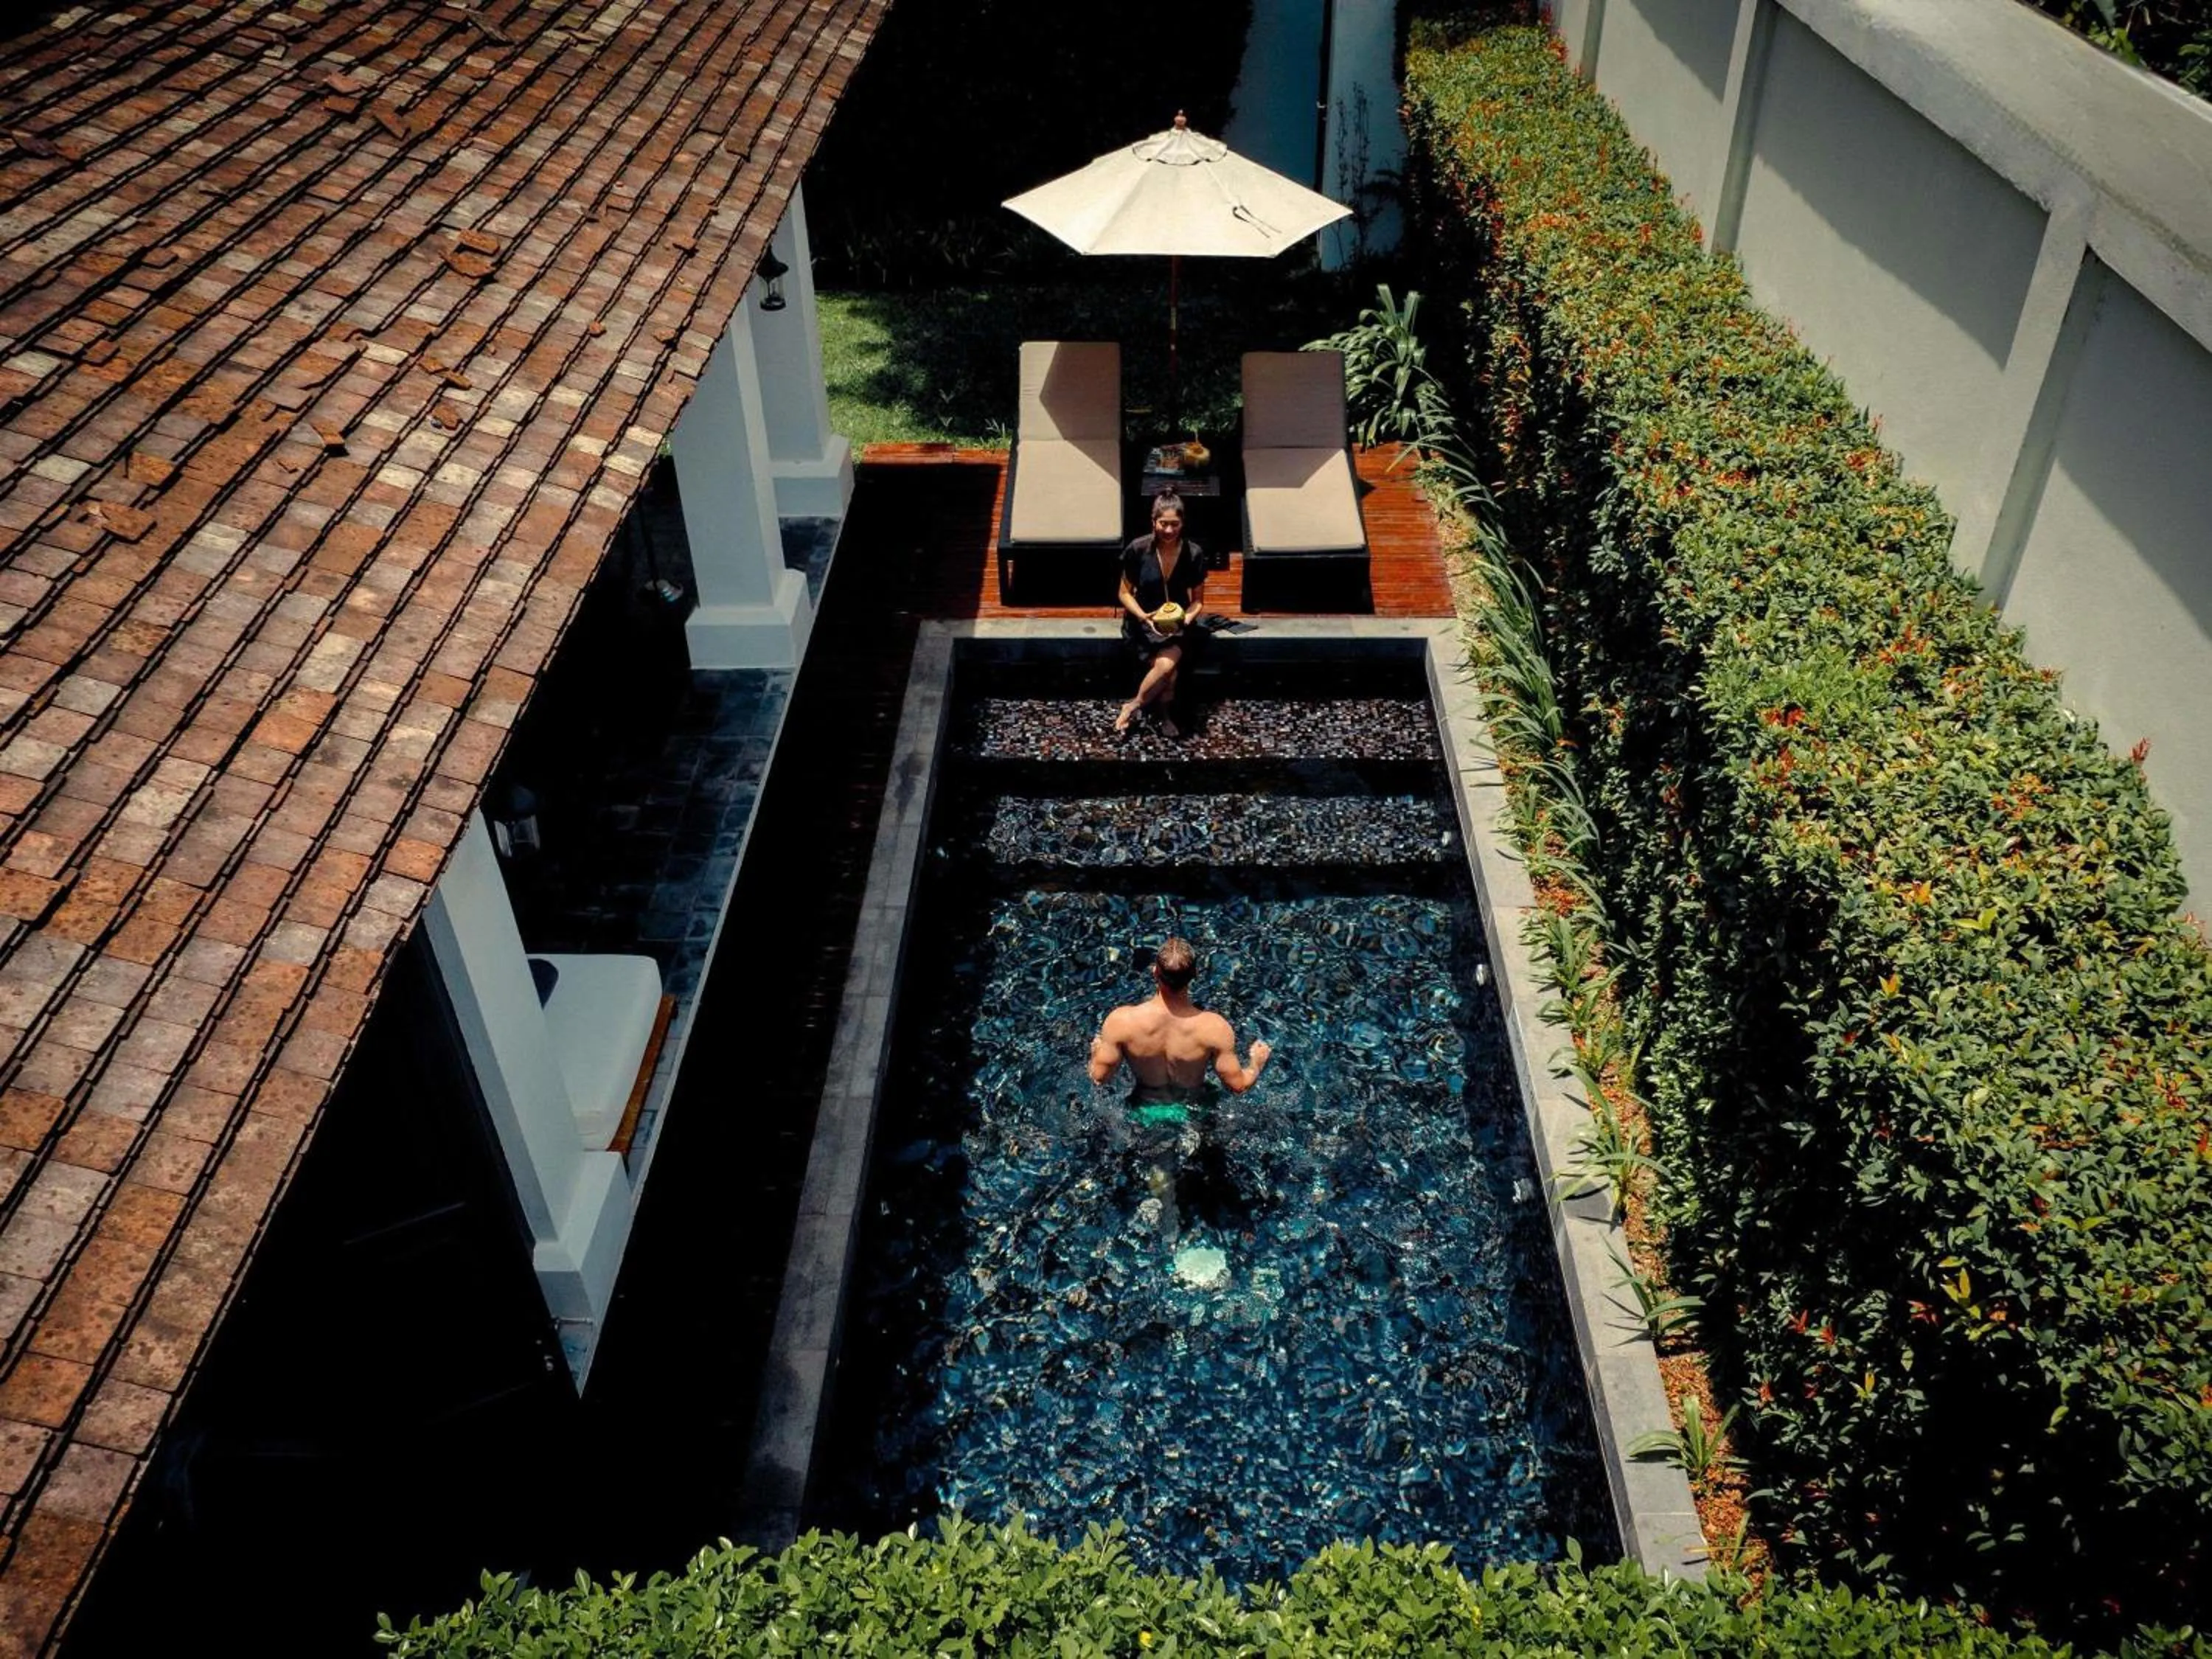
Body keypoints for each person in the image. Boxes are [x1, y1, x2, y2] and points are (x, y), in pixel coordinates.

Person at [1088, 936, 1270, 1112]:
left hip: (1144, 1112)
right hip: (1195, 1112)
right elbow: (1238, 1086)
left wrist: (1096, 1053)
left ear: (1155, 972)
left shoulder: (1121, 1022)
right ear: (1195, 974)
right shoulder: (1215, 1028)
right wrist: (1256, 1063)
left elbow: (1099, 1078)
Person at [1115, 491, 1206, 739]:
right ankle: (1163, 715)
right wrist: (1144, 617)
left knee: (1166, 667)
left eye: (1174, 524)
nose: (1168, 530)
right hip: (1142, 621)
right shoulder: (1138, 549)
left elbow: (1198, 601)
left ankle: (1133, 705)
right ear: (1153, 521)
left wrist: (1185, 619)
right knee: (1170, 673)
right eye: (1163, 523)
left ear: (1183, 523)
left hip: (1176, 624)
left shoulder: (1194, 553)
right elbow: (1124, 594)